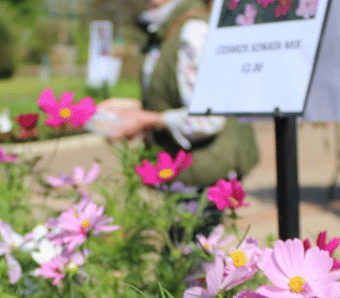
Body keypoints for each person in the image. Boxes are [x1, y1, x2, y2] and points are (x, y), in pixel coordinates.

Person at [98, 0, 259, 188]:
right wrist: (128, 109)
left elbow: (208, 117)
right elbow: (173, 94)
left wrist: (146, 120)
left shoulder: (194, 31)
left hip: (207, 172)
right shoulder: (163, 26)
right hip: (180, 172)